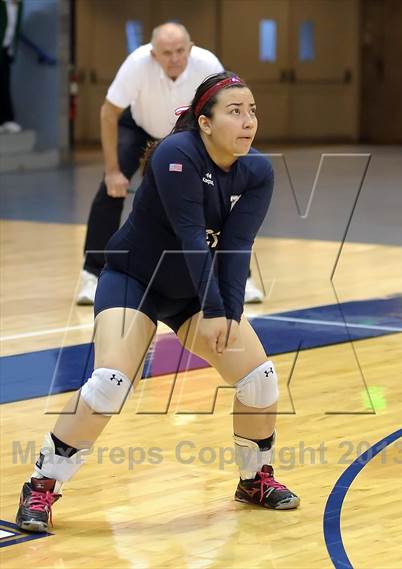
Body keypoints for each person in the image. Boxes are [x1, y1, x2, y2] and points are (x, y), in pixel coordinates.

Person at [16, 71, 299, 533]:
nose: (248, 122)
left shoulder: (258, 171)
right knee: (108, 383)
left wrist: (228, 313)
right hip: (135, 280)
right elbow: (190, 238)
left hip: (191, 291)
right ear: (204, 123)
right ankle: (42, 485)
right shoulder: (176, 155)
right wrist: (212, 310)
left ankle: (254, 480)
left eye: (252, 112)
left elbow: (236, 247)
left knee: (260, 380)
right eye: (235, 111)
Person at [77, 21, 263, 306]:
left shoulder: (207, 64)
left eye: (180, 51)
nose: (174, 58)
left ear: (190, 49)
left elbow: (225, 107)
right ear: (153, 54)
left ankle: (242, 277)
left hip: (189, 133)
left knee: (220, 199)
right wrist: (113, 171)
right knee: (109, 192)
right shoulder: (137, 64)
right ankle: (91, 272)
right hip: (141, 129)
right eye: (166, 53)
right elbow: (108, 112)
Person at [0, 0, 23, 133]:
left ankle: (7, 120)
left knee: (4, 85)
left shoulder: (19, 6)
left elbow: (13, 29)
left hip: (6, 50)